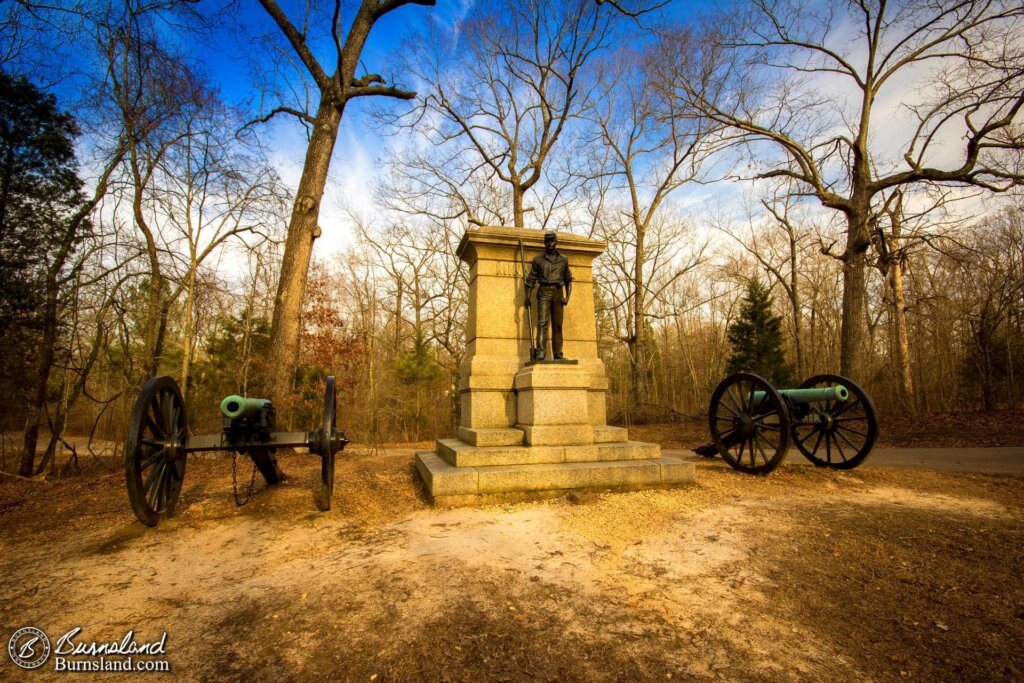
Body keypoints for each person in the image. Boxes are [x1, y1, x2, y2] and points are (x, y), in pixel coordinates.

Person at [525, 230, 573, 360]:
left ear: (556, 242)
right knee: (542, 323)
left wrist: (567, 297)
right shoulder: (538, 260)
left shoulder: (564, 260)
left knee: (557, 325)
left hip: (558, 293)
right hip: (544, 292)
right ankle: (541, 351)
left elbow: (568, 280)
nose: (550, 243)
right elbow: (531, 279)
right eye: (547, 241)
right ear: (544, 243)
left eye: (552, 240)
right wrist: (527, 297)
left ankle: (558, 353)